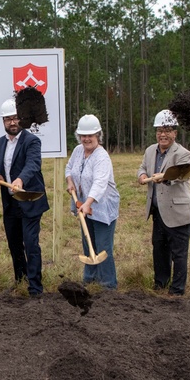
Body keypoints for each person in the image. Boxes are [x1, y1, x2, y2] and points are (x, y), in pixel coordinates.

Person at [137, 109, 190, 295]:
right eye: (159, 130)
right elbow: (142, 167)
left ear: (175, 133)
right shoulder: (149, 151)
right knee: (159, 249)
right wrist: (142, 175)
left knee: (178, 253)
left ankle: (177, 290)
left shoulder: (183, 154)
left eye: (167, 130)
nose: (163, 134)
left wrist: (164, 176)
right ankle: (160, 284)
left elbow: (181, 175)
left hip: (178, 212)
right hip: (157, 211)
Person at [0, 98, 49, 298]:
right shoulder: (1, 142)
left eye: (15, 118)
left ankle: (35, 287)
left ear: (22, 119)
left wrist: (20, 180)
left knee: (30, 243)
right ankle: (20, 280)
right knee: (14, 243)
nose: (12, 122)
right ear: (3, 121)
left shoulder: (32, 141)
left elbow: (33, 164)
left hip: (30, 200)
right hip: (10, 202)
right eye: (8, 119)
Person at [65, 114, 120, 289]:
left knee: (103, 246)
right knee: (87, 240)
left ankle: (108, 284)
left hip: (102, 206)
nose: (86, 139)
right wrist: (70, 181)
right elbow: (69, 167)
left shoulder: (101, 157)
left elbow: (99, 184)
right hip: (83, 204)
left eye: (90, 135)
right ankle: (90, 278)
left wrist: (88, 203)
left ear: (98, 135)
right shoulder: (77, 150)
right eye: (83, 135)